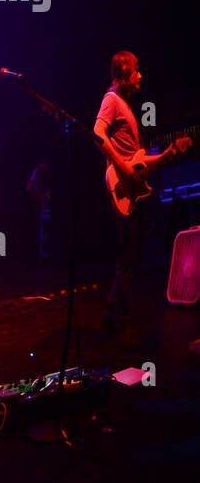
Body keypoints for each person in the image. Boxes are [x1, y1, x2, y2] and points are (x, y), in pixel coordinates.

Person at [94, 51, 190, 341]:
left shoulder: (124, 105)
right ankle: (117, 323)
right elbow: (98, 133)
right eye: (136, 71)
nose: (140, 76)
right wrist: (121, 165)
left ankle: (112, 319)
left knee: (129, 259)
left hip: (131, 189)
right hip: (121, 186)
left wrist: (168, 153)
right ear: (123, 73)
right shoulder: (112, 100)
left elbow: (139, 159)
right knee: (127, 260)